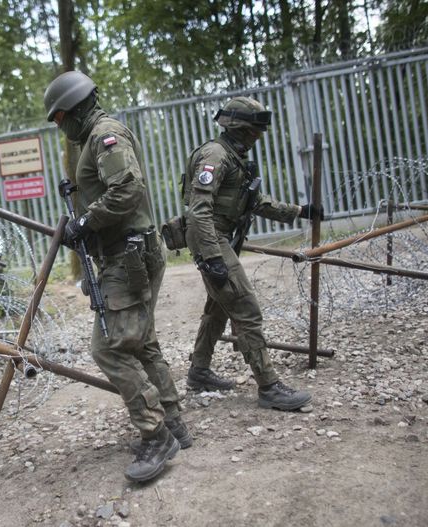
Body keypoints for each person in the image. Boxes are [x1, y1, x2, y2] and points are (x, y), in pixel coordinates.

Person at [43, 70, 190, 482]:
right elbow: (109, 188)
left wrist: (85, 221)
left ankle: (156, 435)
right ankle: (174, 423)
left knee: (109, 348)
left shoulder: (105, 134)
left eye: (58, 118)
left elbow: (128, 190)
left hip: (127, 257)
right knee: (142, 341)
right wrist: (81, 198)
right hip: (130, 253)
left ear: (72, 109)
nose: (59, 126)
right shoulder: (93, 139)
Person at [181, 96, 321, 411]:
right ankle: (269, 387)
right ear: (240, 127)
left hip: (218, 239)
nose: (259, 136)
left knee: (219, 307)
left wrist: (299, 210)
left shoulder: (236, 156)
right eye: (255, 130)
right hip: (210, 238)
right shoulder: (215, 156)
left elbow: (254, 201)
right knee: (245, 308)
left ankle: (199, 372)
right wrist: (213, 257)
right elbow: (198, 211)